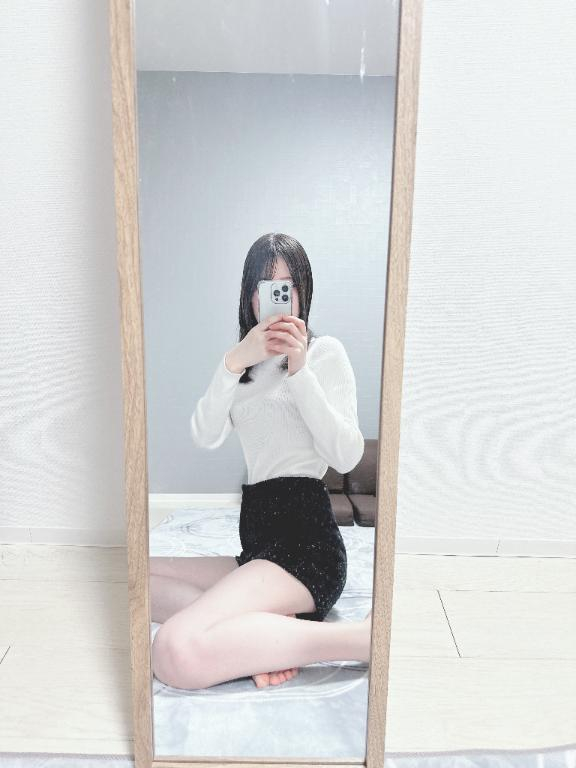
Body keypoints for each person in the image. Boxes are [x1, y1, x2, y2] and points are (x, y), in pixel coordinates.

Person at [150, 232, 372, 691]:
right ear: (249, 294)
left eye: (287, 286)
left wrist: (300, 371)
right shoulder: (243, 369)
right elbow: (205, 434)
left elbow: (346, 454)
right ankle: (261, 639)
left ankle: (359, 639)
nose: (275, 297)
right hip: (257, 545)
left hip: (306, 549)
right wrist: (232, 363)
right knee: (136, 576)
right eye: (265, 286)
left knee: (174, 650)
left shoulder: (324, 353)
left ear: (302, 292)